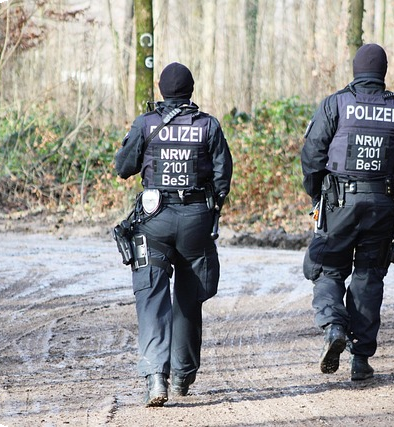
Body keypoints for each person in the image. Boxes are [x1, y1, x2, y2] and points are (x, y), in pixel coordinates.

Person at [301, 43, 394, 381]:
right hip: (382, 204)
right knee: (369, 276)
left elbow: (312, 154)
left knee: (328, 269)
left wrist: (317, 193)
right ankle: (360, 359)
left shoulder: (335, 104)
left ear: (355, 70)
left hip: (339, 203)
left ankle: (334, 327)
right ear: (383, 72)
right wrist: (392, 173)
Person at [114, 62, 233, 406]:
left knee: (152, 296)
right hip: (196, 220)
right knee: (188, 297)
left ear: (162, 90)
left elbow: (123, 167)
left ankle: (156, 378)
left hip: (153, 220)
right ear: (190, 90)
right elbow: (223, 177)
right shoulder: (208, 125)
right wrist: (209, 209)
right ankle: (182, 375)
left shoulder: (146, 123)